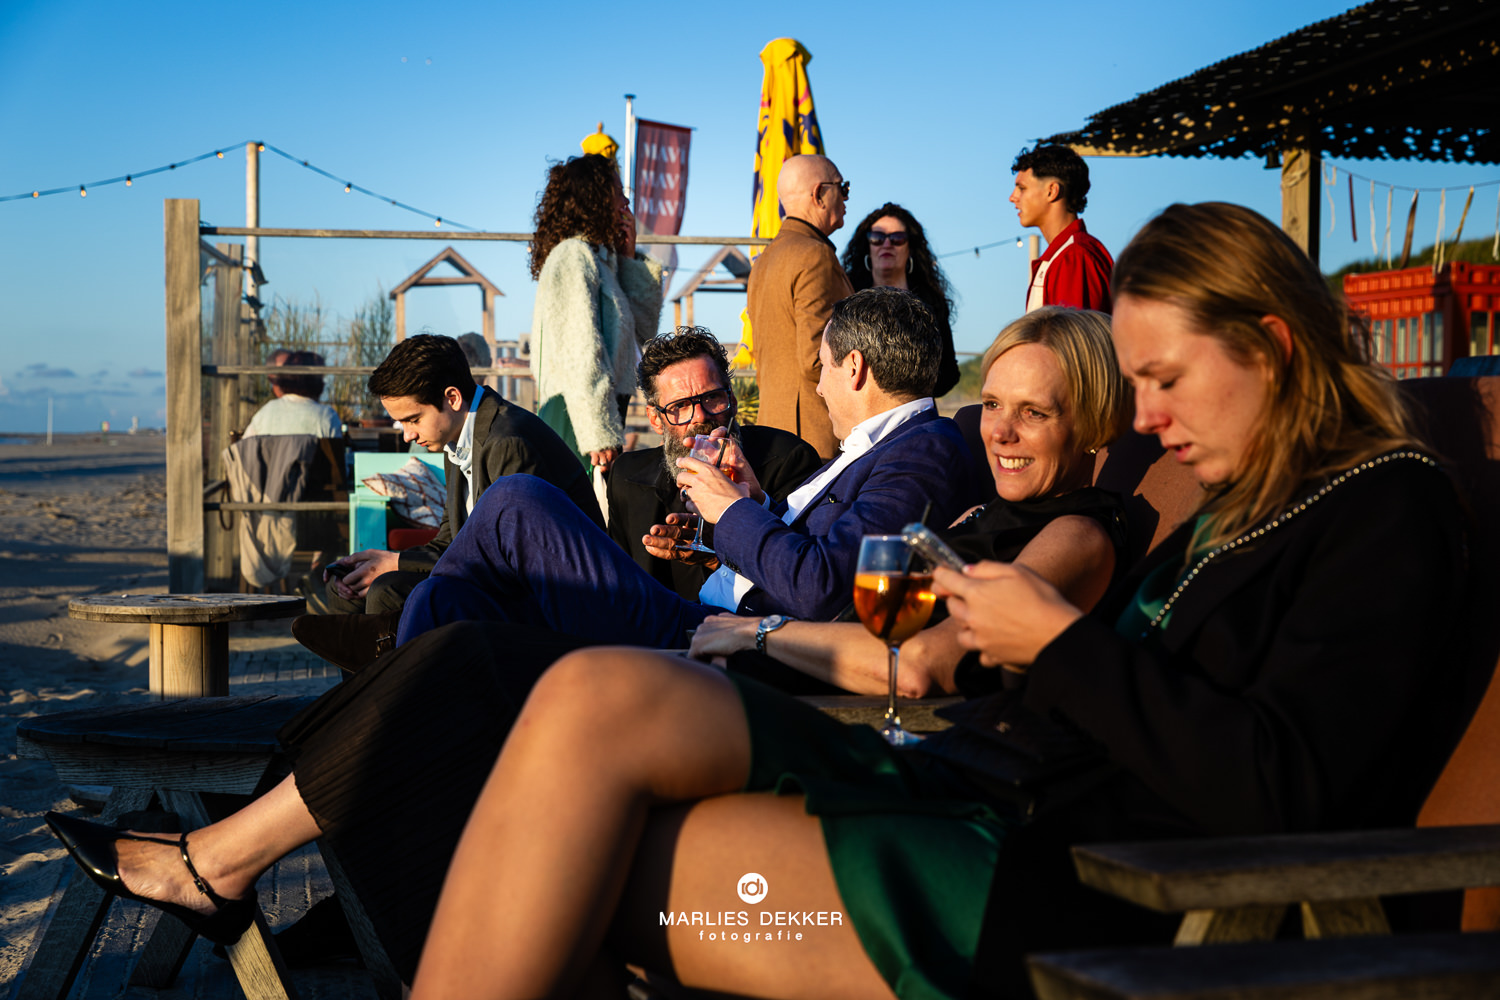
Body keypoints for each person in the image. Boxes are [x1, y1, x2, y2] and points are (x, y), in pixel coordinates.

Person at [52, 204, 1472, 997]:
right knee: (568, 687)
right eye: (1137, 388)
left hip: (1062, 880)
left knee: (543, 722)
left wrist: (1048, 642)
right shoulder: (1231, 502)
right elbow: (1080, 608)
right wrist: (1053, 588)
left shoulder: (1387, 513)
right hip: (963, 770)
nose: (1147, 422)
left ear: (1274, 346)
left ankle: (268, 872)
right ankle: (282, 870)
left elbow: (1279, 779)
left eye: (1160, 385)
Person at [393, 286, 973, 647]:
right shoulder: (882, 449)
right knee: (444, 603)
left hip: (722, 636)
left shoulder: (920, 449)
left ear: (856, 367)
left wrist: (733, 508)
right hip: (707, 617)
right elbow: (821, 560)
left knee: (517, 500)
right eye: (679, 407)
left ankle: (384, 737)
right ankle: (390, 731)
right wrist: (748, 515)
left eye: (820, 368)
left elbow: (822, 588)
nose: (817, 388)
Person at [690, 306, 1127, 697]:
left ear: (1093, 421)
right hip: (786, 663)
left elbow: (916, 665)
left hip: (831, 701)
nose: (999, 432)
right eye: (992, 404)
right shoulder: (996, 512)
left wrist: (759, 633)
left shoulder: (1077, 534)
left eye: (1034, 412)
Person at [298, 334, 600, 669]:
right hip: (493, 577)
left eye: (412, 419)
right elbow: (451, 538)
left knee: (388, 589)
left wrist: (396, 564)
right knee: (348, 590)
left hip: (547, 600)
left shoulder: (507, 442)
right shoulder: (457, 438)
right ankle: (364, 710)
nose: (407, 434)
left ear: (452, 398)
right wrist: (387, 559)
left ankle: (397, 709)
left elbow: (501, 560)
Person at [607, 327, 824, 601]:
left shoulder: (788, 459)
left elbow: (805, 577)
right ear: (654, 419)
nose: (700, 416)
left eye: (712, 398)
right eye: (680, 406)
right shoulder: (627, 478)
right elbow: (620, 588)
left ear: (731, 400)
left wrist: (716, 555)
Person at [528, 153, 664, 475]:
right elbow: (579, 349)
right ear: (596, 199)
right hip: (577, 414)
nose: (626, 200)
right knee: (578, 515)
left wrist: (629, 259)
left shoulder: (602, 261)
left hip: (597, 410)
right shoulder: (572, 255)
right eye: (618, 190)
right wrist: (597, 431)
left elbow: (641, 334)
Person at [746, 154, 855, 459]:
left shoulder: (764, 260)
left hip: (772, 432)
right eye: (842, 188)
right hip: (815, 437)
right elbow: (818, 359)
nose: (846, 198)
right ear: (820, 194)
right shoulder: (814, 255)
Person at [841, 203, 960, 397]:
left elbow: (949, 375)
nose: (886, 244)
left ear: (910, 247)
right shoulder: (847, 298)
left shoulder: (930, 303)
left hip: (915, 415)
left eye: (897, 238)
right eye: (877, 238)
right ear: (867, 247)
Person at [1010, 143, 1114, 313]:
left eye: (1022, 188)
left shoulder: (1074, 257)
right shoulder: (1064, 255)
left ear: (1052, 191)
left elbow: (1074, 338)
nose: (1012, 197)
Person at [241, 349, 342, 438]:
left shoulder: (264, 414)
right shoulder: (327, 416)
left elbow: (244, 453)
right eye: (321, 378)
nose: (324, 383)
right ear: (315, 382)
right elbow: (336, 458)